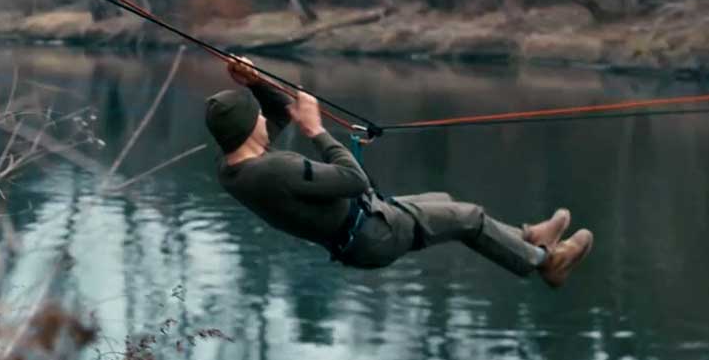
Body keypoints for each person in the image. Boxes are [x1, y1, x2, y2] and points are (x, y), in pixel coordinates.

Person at [204, 58, 594, 288]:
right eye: (255, 115)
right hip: (374, 234)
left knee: (446, 204)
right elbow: (354, 179)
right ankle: (545, 263)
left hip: (366, 226)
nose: (262, 118)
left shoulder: (234, 165)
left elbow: (277, 112)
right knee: (468, 218)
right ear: (247, 128)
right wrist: (317, 131)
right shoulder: (275, 169)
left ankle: (528, 238)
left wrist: (257, 82)